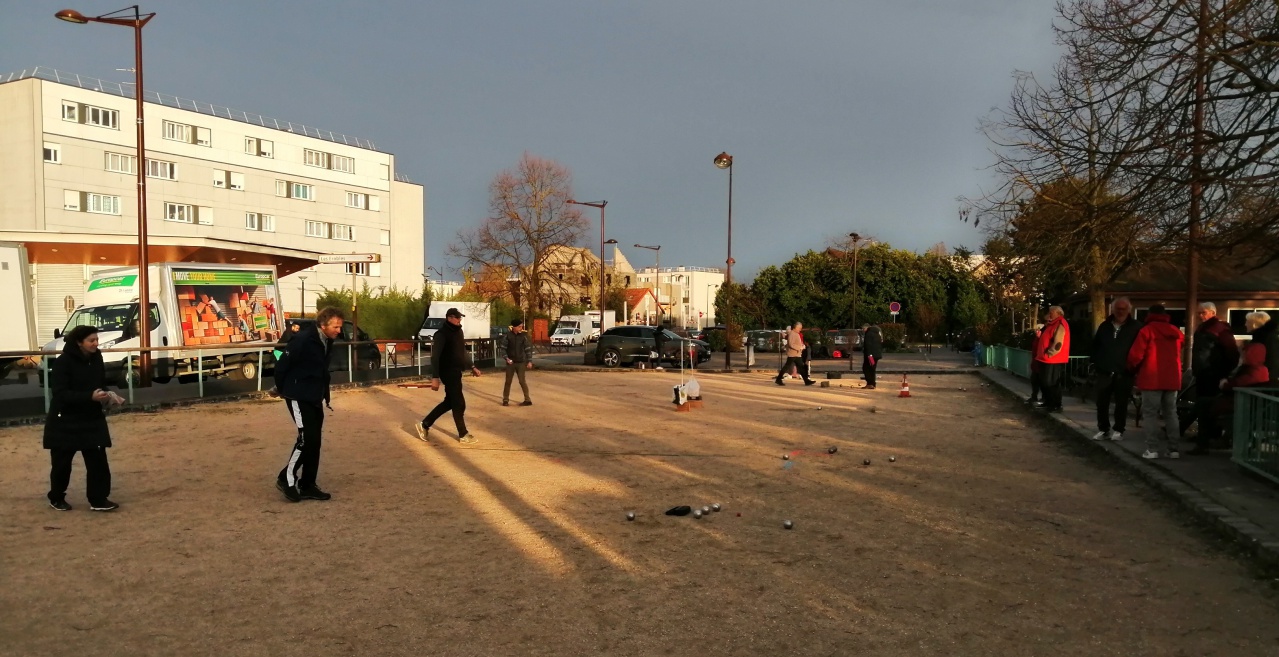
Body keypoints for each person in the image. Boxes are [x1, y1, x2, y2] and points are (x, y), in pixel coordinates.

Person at [44, 325, 123, 512]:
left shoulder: (97, 358)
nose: (96, 343)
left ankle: (98, 499)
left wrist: (109, 396)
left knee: (98, 462)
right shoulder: (63, 362)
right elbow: (60, 394)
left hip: (91, 417)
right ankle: (56, 497)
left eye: (96, 339)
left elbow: (100, 384)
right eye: (91, 340)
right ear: (79, 342)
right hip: (65, 420)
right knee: (62, 464)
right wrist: (89, 396)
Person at [272, 307, 344, 502]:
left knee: (315, 441)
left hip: (314, 396)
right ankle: (286, 478)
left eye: (340, 327)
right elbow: (281, 363)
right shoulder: (303, 340)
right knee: (306, 439)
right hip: (297, 395)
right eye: (336, 326)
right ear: (323, 324)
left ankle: (308, 484)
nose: (339, 330)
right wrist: (280, 388)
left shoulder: (326, 340)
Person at [1127, 304, 1185, 460]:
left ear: (1149, 314)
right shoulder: (1175, 331)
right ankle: (1174, 449)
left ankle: (1152, 449)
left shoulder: (1146, 331)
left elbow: (1135, 356)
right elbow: (1181, 346)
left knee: (1150, 414)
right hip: (1172, 378)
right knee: (1171, 413)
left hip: (1151, 378)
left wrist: (1132, 367)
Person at [416, 307, 483, 444]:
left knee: (450, 402)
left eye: (460, 318)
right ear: (449, 318)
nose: (459, 320)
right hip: (447, 372)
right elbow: (435, 357)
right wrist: (435, 377)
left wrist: (472, 366)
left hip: (457, 371)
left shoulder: (459, 332)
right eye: (457, 318)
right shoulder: (441, 334)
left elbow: (463, 352)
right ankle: (463, 434)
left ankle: (424, 424)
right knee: (459, 403)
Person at [1189, 302, 1239, 455]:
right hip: (1204, 374)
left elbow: (1232, 353)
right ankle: (1205, 439)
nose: (1200, 316)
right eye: (1199, 313)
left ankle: (1205, 442)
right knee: (1205, 408)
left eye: (1203, 312)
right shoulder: (1204, 328)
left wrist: (1222, 372)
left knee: (1207, 408)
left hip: (1212, 375)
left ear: (1212, 312)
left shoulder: (1220, 329)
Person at [1089, 297, 1141, 441]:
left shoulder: (1136, 327)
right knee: (1102, 402)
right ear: (1112, 309)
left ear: (1129, 310)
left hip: (1124, 372)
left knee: (1121, 402)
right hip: (1104, 370)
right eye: (1117, 308)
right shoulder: (1104, 326)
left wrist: (1134, 368)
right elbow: (1096, 345)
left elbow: (1140, 349)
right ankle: (1103, 429)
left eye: (1123, 309)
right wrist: (1095, 363)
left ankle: (1119, 429)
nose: (1120, 311)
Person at [1034, 306, 1071, 413]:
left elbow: (1058, 344)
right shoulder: (1051, 324)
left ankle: (1055, 404)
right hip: (1045, 358)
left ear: (1059, 314)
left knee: (1050, 382)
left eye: (1052, 313)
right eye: (1049, 312)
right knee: (1044, 381)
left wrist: (1049, 354)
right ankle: (1048, 402)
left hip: (1053, 359)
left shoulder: (1060, 324)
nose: (1049, 314)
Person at [502, 319, 534, 407]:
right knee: (508, 382)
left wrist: (529, 361)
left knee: (522, 381)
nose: (521, 328)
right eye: (519, 326)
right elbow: (503, 349)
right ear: (514, 327)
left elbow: (527, 349)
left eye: (521, 326)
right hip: (510, 363)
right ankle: (505, 399)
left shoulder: (523, 336)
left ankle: (527, 400)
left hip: (521, 362)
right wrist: (506, 358)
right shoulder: (507, 336)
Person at [776, 321, 815, 386]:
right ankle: (778, 379)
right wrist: (800, 347)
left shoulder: (795, 333)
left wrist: (801, 345)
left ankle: (806, 380)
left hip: (796, 354)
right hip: (793, 354)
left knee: (800, 367)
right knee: (787, 367)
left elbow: (795, 343)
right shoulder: (792, 334)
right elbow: (791, 344)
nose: (800, 329)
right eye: (799, 328)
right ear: (796, 327)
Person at [1250, 310, 1279, 386]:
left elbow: (1273, 358)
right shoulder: (1264, 336)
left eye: (1247, 322)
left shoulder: (1267, 337)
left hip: (1265, 380)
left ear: (1254, 324)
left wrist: (1270, 378)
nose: (1245, 324)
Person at [862, 323, 883, 390]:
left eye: (863, 329)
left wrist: (869, 355)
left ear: (866, 328)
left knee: (866, 368)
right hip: (876, 354)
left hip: (870, 355)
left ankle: (870, 383)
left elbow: (868, 345)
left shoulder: (868, 334)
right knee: (872, 369)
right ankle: (872, 383)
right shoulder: (877, 333)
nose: (863, 330)